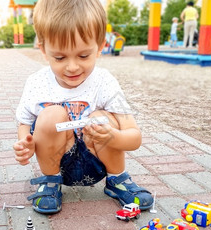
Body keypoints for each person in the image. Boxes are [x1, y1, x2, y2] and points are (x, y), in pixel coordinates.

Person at [13, 0, 153, 214]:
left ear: (100, 46)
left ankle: (118, 181)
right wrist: (26, 143)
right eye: (59, 57)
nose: (72, 67)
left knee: (103, 117)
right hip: (57, 162)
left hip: (96, 160)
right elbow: (25, 123)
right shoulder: (36, 83)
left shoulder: (105, 82)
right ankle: (50, 184)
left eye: (83, 55)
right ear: (43, 50)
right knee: (51, 115)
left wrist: (112, 136)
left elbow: (135, 137)